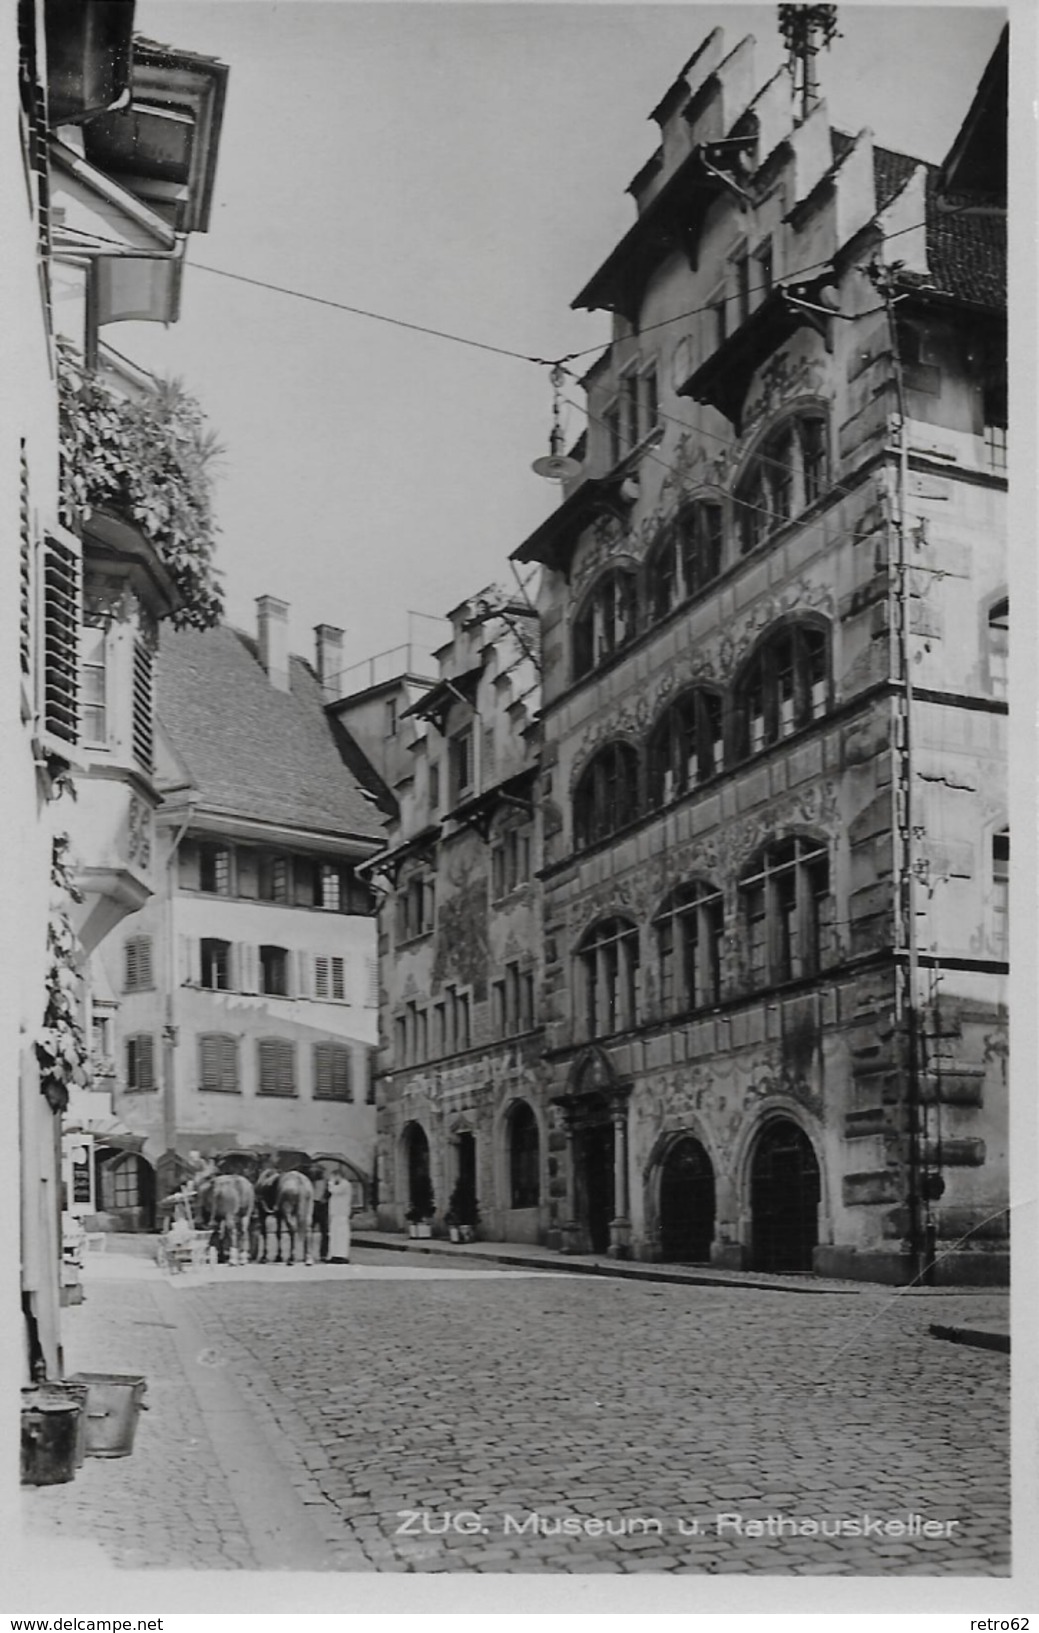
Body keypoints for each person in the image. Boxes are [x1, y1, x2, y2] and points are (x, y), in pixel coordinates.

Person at [327, 1173, 352, 1263]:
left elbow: (334, 1190)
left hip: (341, 1214)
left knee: (341, 1235)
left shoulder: (345, 1184)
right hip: (336, 1213)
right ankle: (335, 1255)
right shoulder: (341, 1185)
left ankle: (342, 1255)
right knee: (334, 1235)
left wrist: (331, 1182)